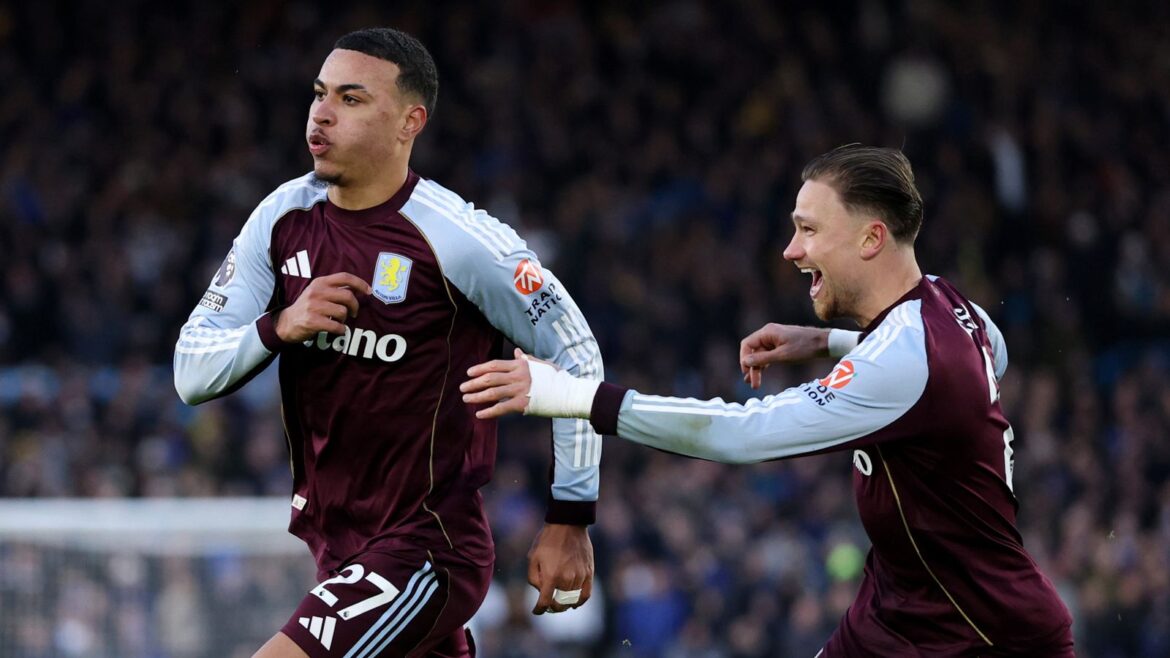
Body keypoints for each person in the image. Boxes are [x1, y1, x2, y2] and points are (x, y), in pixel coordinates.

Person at [462, 145, 1075, 656]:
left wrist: (575, 395)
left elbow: (741, 434)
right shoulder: (947, 304)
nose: (791, 249)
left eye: (809, 230)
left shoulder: (905, 356)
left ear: (871, 238)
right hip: (897, 611)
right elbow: (990, 352)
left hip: (985, 634)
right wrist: (829, 342)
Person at [173, 28, 604, 658]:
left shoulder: (462, 241)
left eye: (350, 99)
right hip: (338, 546)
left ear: (410, 122)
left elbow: (577, 353)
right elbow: (190, 370)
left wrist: (570, 517)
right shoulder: (282, 217)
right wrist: (279, 326)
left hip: (427, 547)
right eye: (320, 94)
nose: (321, 112)